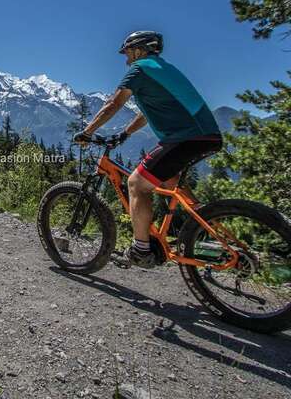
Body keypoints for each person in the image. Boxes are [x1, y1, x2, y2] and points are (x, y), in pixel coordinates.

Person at [74, 31, 222, 268]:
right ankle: (212, 230)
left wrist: (88, 132)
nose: (126, 60)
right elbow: (145, 114)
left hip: (185, 137)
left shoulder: (140, 69)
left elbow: (114, 103)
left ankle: (141, 250)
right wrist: (125, 133)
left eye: (127, 53)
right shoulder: (161, 69)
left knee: (136, 184)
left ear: (138, 50)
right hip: (205, 135)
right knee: (169, 182)